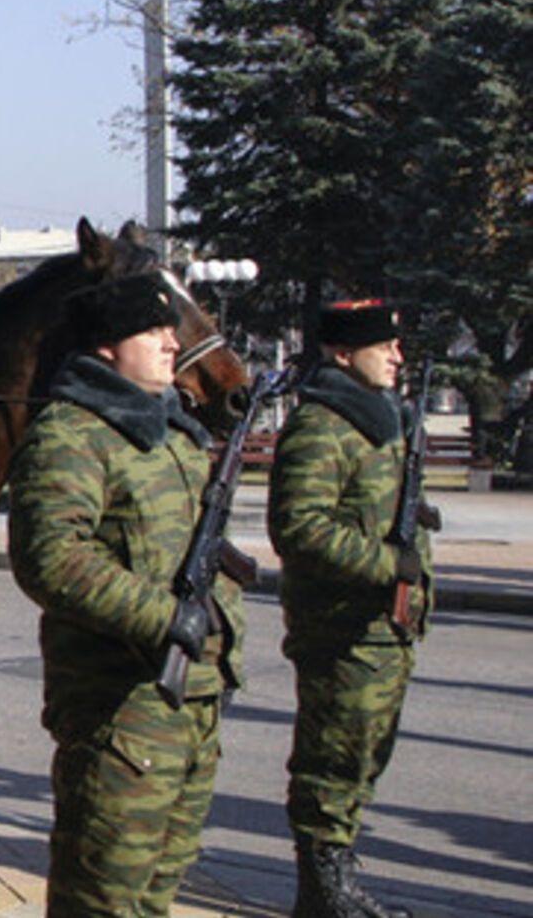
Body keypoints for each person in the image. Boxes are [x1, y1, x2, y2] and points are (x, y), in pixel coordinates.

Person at [7, 270, 244, 917]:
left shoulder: (173, 433)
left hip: (190, 703)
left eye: (172, 330)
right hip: (121, 711)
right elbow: (50, 558)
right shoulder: (71, 434)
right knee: (103, 899)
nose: (173, 344)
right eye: (154, 331)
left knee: (156, 894)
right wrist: (164, 617)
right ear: (107, 345)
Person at [269, 298, 427, 918]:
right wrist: (387, 564)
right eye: (383, 346)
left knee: (363, 756)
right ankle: (322, 890)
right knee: (333, 758)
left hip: (384, 627)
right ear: (342, 353)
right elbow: (299, 528)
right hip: (341, 628)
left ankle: (337, 877)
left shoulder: (379, 419)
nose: (397, 356)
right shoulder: (321, 426)